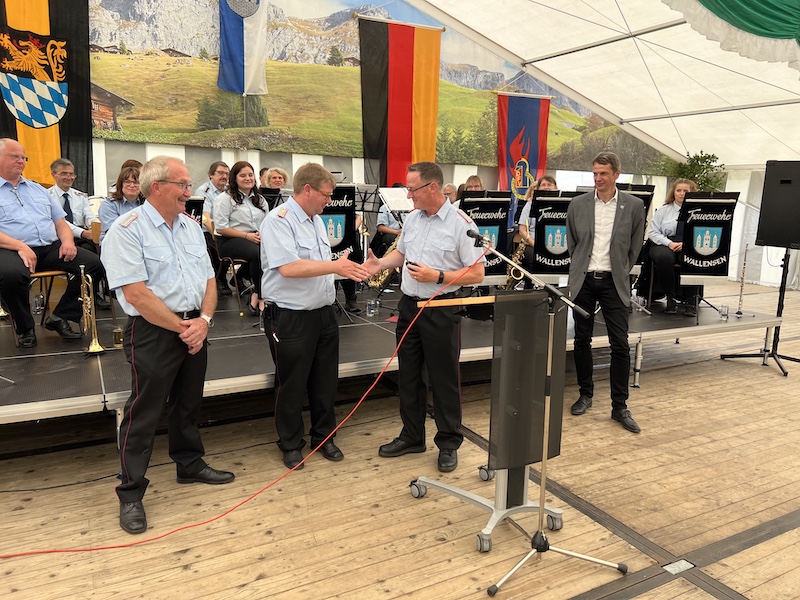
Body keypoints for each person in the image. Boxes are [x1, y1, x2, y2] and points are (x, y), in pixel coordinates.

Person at [101, 156, 235, 534]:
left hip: (194, 326)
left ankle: (189, 464)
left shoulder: (191, 226)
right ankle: (130, 493)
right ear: (157, 187)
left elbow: (209, 280)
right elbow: (136, 295)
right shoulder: (126, 230)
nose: (189, 192)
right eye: (183, 184)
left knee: (188, 403)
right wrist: (183, 327)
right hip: (154, 331)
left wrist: (203, 321)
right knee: (143, 413)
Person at [364, 161, 486, 473]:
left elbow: (477, 273)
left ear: (432, 187)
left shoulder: (461, 223)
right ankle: (412, 435)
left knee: (444, 379)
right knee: (409, 375)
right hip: (409, 307)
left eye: (412, 188)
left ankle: (448, 442)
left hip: (440, 309)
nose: (408, 194)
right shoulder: (413, 218)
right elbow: (402, 253)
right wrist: (380, 264)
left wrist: (438, 275)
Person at [260, 163, 369, 469]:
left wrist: (343, 266)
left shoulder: (317, 221)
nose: (329, 200)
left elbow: (318, 265)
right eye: (326, 194)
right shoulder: (278, 221)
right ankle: (290, 443)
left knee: (325, 381)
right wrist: (336, 267)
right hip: (291, 316)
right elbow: (289, 267)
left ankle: (324, 437)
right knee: (292, 384)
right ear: (307, 190)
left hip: (323, 313)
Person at [566, 152, 645, 434]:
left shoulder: (634, 206)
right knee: (581, 340)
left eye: (603, 174)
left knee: (620, 344)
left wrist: (620, 270)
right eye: (595, 173)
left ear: (616, 175)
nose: (598, 179)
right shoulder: (577, 204)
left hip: (614, 281)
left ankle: (619, 406)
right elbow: (573, 244)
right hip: (585, 280)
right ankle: (585, 394)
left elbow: (635, 247)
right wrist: (582, 268)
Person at [0, 138, 105, 348]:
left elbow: (60, 222)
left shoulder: (37, 189)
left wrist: (68, 241)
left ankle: (61, 316)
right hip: (11, 248)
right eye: (15, 156)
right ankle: (25, 327)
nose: (20, 161)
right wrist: (21, 246)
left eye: (23, 157)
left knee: (93, 264)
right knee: (11, 275)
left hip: (49, 247)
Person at [214, 161, 267, 315]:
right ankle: (261, 296)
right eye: (243, 175)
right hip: (229, 240)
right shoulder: (225, 199)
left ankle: (259, 292)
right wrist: (247, 236)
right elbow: (221, 228)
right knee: (257, 253)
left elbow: (267, 223)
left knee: (273, 251)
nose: (248, 178)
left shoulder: (260, 199)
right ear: (234, 178)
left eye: (250, 175)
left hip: (254, 238)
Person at [647, 178, 699, 316]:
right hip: (664, 242)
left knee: (691, 258)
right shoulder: (664, 210)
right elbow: (653, 232)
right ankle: (671, 298)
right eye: (678, 190)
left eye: (685, 191)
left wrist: (686, 243)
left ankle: (690, 301)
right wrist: (669, 243)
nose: (681, 193)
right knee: (664, 258)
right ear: (673, 192)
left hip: (688, 243)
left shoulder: (699, 211)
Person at [47, 158, 99, 253]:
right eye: (64, 173)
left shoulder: (81, 196)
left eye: (71, 174)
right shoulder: (46, 196)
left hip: (81, 236)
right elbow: (58, 221)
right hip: (58, 236)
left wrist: (96, 228)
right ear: (54, 175)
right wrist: (83, 233)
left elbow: (89, 216)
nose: (69, 177)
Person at [195, 161, 231, 296]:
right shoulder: (204, 191)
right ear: (211, 174)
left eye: (227, 174)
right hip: (209, 231)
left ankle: (238, 277)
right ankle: (219, 279)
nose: (224, 176)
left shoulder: (229, 191)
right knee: (218, 247)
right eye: (220, 173)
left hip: (227, 230)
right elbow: (205, 218)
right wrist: (218, 234)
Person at [515, 176, 558, 286]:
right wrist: (537, 246)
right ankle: (531, 289)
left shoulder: (561, 205)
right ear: (538, 188)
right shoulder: (529, 205)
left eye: (549, 185)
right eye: (543, 185)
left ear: (555, 187)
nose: (546, 187)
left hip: (554, 245)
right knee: (533, 260)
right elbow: (522, 230)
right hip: (532, 244)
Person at [98, 165, 144, 244]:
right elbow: (114, 232)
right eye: (127, 182)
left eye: (136, 182)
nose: (132, 185)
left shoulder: (146, 203)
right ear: (120, 184)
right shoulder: (109, 204)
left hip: (141, 244)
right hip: (114, 244)